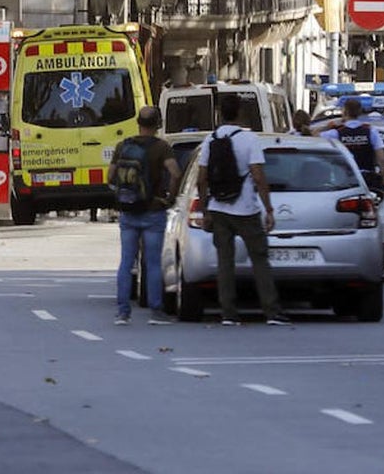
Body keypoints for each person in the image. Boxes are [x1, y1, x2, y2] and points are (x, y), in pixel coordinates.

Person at [196, 93, 291, 326]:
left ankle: (228, 313)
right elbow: (258, 176)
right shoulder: (249, 140)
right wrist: (268, 209)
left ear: (220, 113)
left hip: (219, 207)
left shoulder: (211, 138)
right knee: (259, 259)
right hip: (246, 209)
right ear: (239, 112)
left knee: (224, 262)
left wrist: (205, 207)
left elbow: (202, 177)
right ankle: (271, 310)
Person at [108, 106, 181, 325]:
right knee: (152, 263)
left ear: (138, 123)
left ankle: (123, 312)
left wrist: (122, 195)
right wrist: (169, 198)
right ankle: (156, 311)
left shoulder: (123, 146)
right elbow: (176, 173)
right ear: (158, 124)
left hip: (128, 212)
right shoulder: (162, 148)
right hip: (153, 211)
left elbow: (110, 176)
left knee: (126, 261)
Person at [320, 97, 384, 197]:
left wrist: (329, 125)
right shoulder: (370, 131)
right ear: (360, 112)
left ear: (345, 111)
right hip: (367, 179)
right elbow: (381, 159)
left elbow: (313, 134)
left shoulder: (337, 132)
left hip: (345, 180)